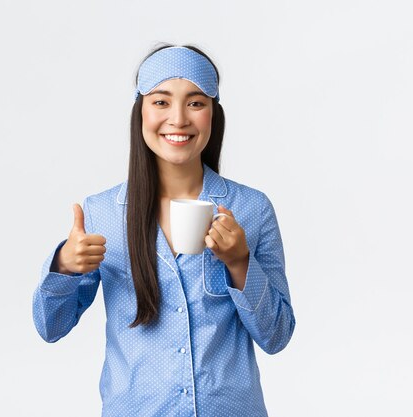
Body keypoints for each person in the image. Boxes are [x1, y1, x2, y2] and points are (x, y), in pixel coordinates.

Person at [32, 44, 296, 417]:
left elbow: (277, 335)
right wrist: (63, 266)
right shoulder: (102, 213)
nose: (178, 119)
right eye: (160, 102)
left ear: (213, 115)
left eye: (195, 102)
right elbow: (50, 327)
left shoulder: (251, 209)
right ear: (140, 111)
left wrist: (240, 263)